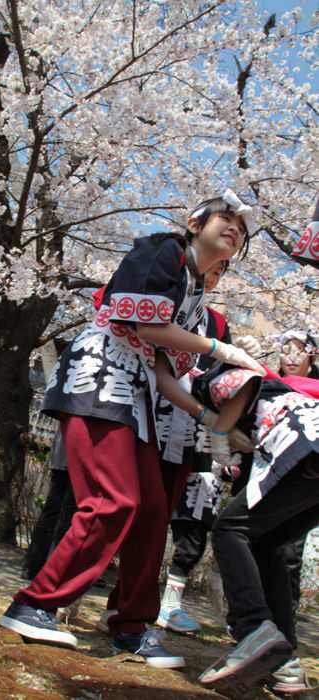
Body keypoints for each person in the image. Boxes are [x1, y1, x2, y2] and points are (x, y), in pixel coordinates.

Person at [0, 189, 263, 669]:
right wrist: (222, 351)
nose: (233, 228)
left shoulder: (197, 299)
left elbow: (164, 374)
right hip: (100, 379)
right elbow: (144, 330)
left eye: (241, 228)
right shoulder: (162, 249)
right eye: (224, 218)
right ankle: (35, 603)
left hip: (135, 392)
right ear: (193, 221)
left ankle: (132, 628)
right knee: (112, 500)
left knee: (151, 511)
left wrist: (213, 422)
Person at [195, 332, 319, 691]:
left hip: (304, 449)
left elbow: (243, 386)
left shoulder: (225, 376)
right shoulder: (280, 383)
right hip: (309, 457)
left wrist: (220, 435)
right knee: (266, 544)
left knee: (228, 531)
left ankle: (254, 630)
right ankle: (286, 660)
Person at [156, 261, 259, 633]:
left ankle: (170, 603)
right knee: (140, 510)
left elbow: (222, 382)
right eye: (206, 270)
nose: (209, 278)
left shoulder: (216, 324)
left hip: (196, 430)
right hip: (152, 420)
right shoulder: (162, 306)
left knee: (192, 519)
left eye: (218, 273)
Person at [21, 430, 76, 580]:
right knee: (67, 514)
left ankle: (33, 566)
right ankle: (51, 571)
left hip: (64, 450)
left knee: (53, 511)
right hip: (79, 455)